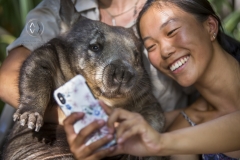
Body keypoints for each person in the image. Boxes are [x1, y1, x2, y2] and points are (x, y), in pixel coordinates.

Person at [63, 0, 240, 159]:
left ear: (210, 26)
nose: (164, 51)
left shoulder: (171, 138)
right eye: (151, 46)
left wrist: (161, 143)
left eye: (171, 31)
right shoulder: (186, 125)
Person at [0, 0, 187, 126]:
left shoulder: (168, 8)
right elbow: (6, 79)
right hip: (47, 137)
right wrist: (80, 120)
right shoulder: (59, 6)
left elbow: (207, 86)